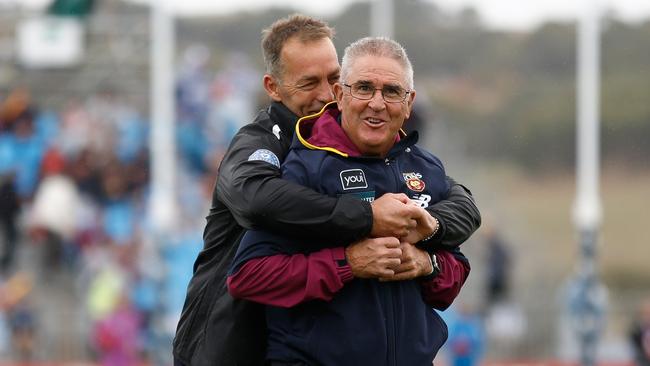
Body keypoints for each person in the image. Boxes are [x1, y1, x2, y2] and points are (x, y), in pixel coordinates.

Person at [173, 14, 481, 366]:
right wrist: (365, 226)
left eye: (333, 78)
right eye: (309, 83)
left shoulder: (407, 160)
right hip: (227, 345)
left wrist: (427, 248)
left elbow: (461, 205)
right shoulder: (264, 145)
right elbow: (255, 204)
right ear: (273, 87)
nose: (325, 95)